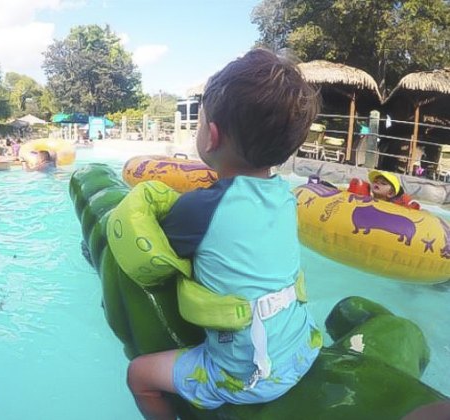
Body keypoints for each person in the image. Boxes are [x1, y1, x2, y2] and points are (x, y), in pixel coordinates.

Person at [126, 49, 321, 419]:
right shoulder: (286, 196)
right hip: (304, 347)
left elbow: (159, 248)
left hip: (247, 375)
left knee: (138, 375)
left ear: (211, 136)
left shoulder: (200, 208)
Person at [349, 170, 420, 209]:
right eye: (375, 181)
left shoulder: (393, 207)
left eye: (383, 183)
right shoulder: (365, 198)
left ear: (391, 193)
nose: (377, 183)